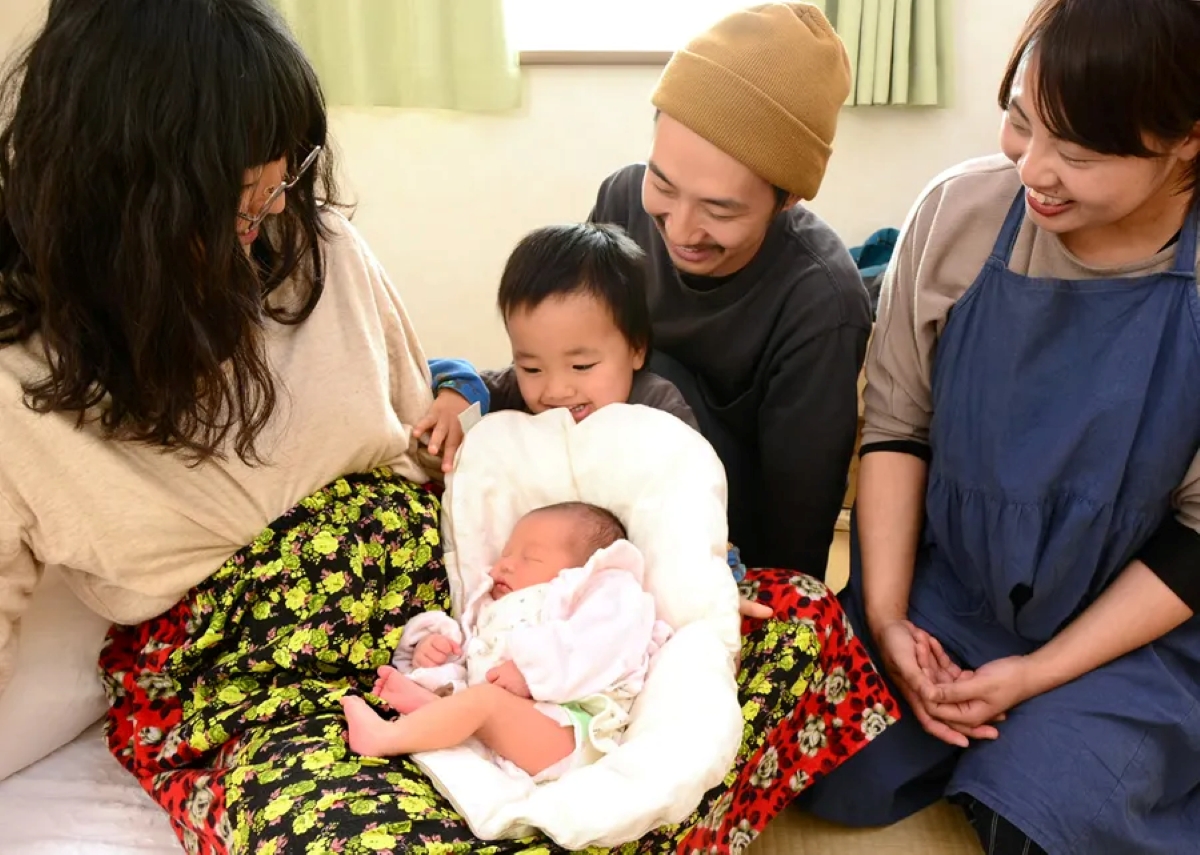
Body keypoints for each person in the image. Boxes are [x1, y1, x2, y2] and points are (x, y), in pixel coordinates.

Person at [0, 2, 898, 852]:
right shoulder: (19, 384)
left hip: (453, 595)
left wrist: (642, 579)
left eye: (281, 185)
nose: (274, 217)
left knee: (800, 628)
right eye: (242, 203)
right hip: (264, 673)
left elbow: (427, 428)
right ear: (129, 199)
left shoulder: (316, 248)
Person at [799, 1, 1200, 853]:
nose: (1035, 170)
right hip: (958, 588)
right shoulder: (957, 214)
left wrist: (1037, 675)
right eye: (1021, 120)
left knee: (1037, 815)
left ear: (1187, 140)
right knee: (806, 756)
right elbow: (897, 426)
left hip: (1131, 626)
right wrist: (889, 616)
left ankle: (1056, 745)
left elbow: (1195, 541)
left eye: (1081, 154)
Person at [587, 2, 871, 577]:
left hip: (724, 551)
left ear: (788, 197)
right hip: (598, 513)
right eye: (662, 185)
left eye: (719, 209)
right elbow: (562, 352)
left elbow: (796, 528)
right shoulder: (621, 204)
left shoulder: (820, 302)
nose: (682, 230)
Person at [341, 502, 669, 785]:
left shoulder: (602, 589)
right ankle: (437, 709)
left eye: (531, 557)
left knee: (485, 701)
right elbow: (477, 652)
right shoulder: (495, 608)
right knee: (481, 701)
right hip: (514, 729)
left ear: (585, 567)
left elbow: (603, 644)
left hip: (571, 732)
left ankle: (385, 738)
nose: (506, 564)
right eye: (506, 554)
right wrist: (436, 650)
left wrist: (531, 671)